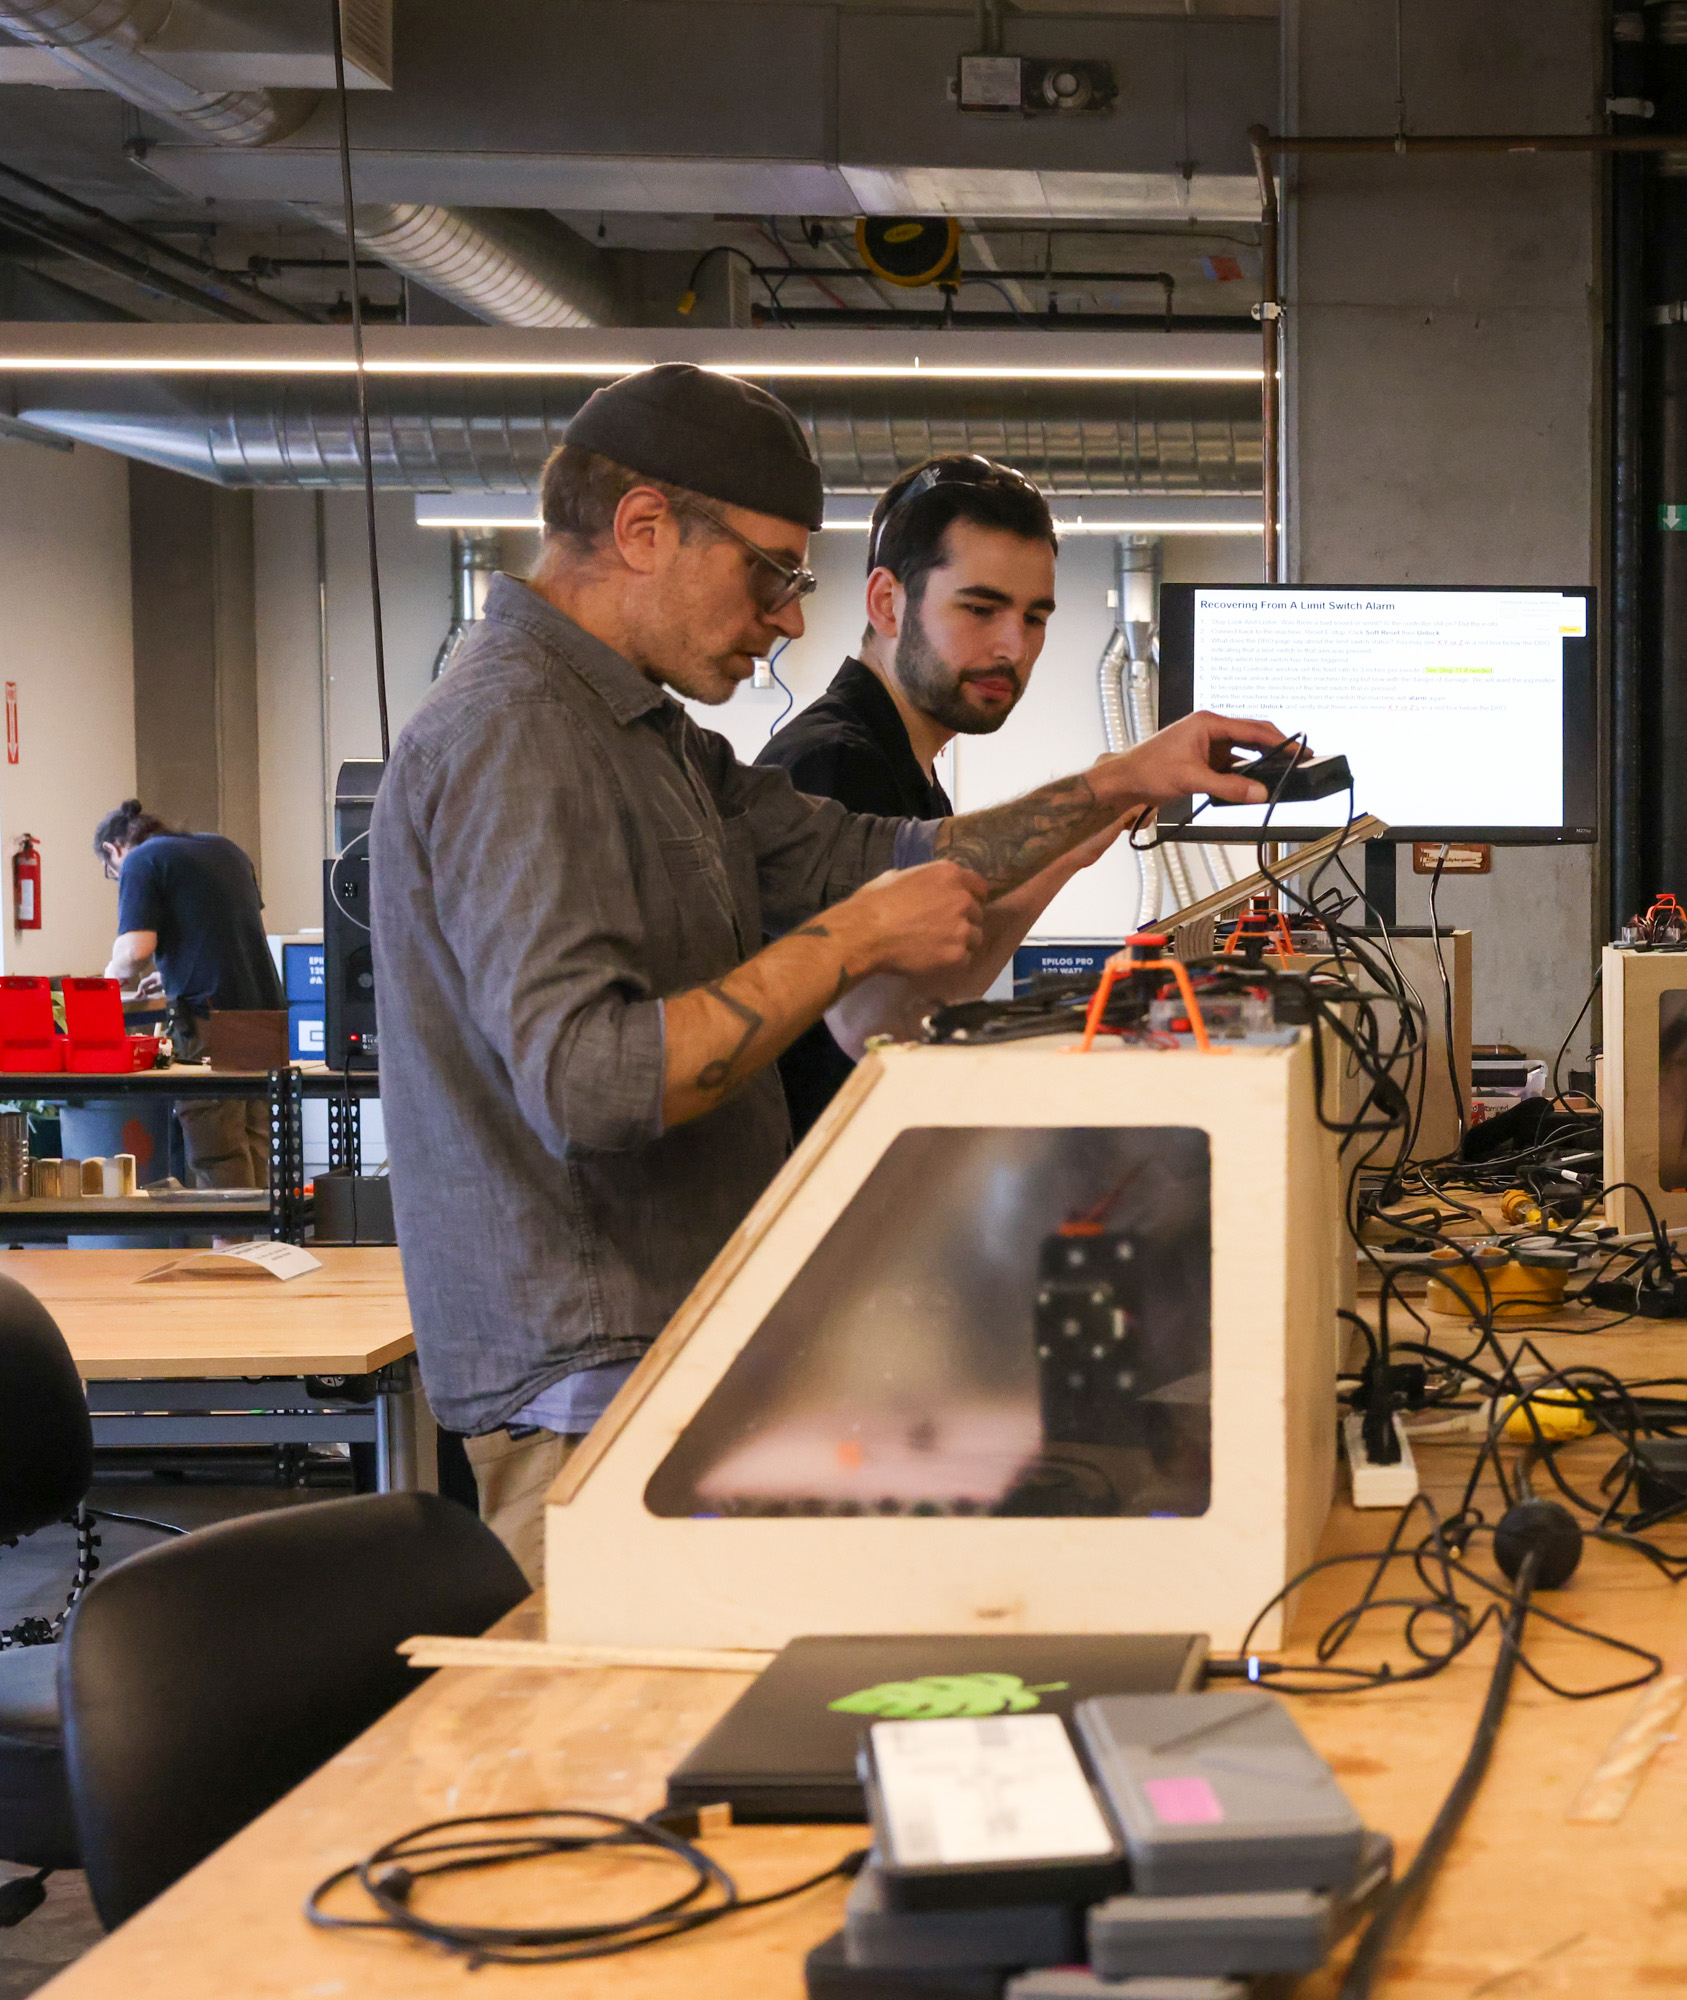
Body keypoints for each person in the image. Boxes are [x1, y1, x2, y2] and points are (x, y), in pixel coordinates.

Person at [372, 363, 1280, 1583]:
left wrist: (1125, 779)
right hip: (590, 1410)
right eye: (770, 571)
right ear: (643, 529)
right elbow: (590, 1083)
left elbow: (878, 852)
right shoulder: (514, 734)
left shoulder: (643, 736)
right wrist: (852, 941)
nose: (790, 617)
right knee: (615, 1763)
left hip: (670, 1370)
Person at [757, 454, 1100, 1138]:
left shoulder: (905, 765)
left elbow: (943, 975)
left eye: (1035, 618)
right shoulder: (833, 762)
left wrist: (1076, 840)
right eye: (980, 608)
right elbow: (881, 1025)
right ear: (887, 602)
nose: (1013, 646)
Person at [97, 800, 282, 1186]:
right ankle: (260, 1246)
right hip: (264, 1011)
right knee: (255, 1142)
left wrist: (111, 976)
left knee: (218, 1149)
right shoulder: (225, 848)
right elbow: (237, 934)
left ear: (113, 850)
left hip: (208, 1018)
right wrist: (172, 975)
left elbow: (135, 952)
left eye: (112, 873)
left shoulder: (141, 860)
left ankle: (227, 1244)